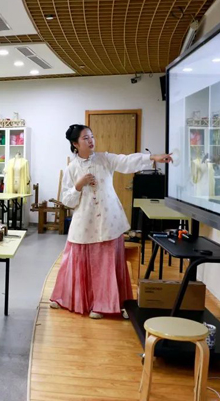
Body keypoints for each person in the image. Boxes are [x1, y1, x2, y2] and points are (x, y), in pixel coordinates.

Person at [49, 124, 172, 319]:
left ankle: (103, 305)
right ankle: (76, 299)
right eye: (85, 138)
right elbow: (67, 201)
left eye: (92, 136)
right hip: (84, 224)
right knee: (78, 261)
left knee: (106, 264)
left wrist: (153, 158)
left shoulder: (104, 159)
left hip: (109, 221)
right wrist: (79, 185)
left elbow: (126, 161)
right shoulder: (71, 169)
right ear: (75, 144)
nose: (91, 141)